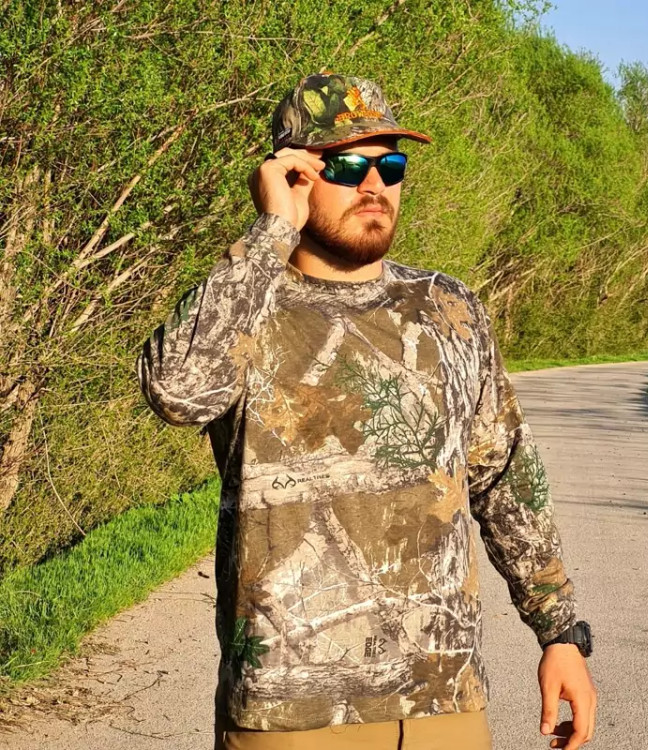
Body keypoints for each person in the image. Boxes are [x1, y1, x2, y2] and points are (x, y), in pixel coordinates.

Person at [136, 72, 597, 750]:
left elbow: (505, 479)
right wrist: (271, 232)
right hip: (289, 713)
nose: (374, 184)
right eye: (348, 165)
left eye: (391, 166)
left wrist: (560, 634)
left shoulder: (448, 308)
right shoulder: (247, 303)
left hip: (444, 700)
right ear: (292, 172)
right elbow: (177, 391)